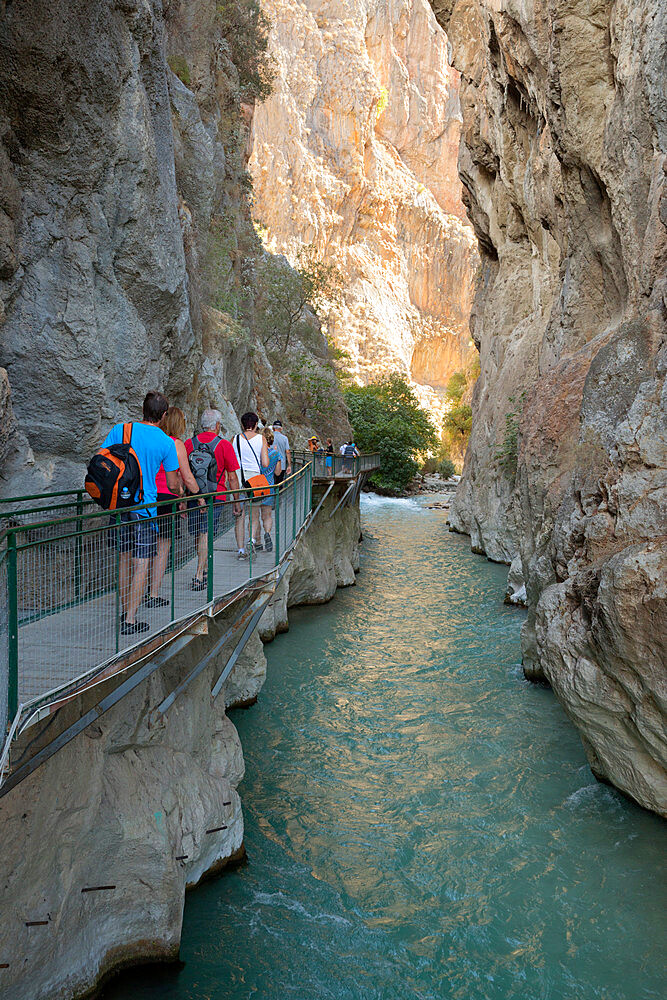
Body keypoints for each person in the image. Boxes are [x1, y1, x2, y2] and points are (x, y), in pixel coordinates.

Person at [103, 390, 181, 635]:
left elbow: (101, 460)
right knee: (142, 563)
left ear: (143, 410)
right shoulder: (166, 443)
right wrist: (180, 490)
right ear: (164, 415)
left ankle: (125, 610)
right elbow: (171, 484)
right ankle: (130, 620)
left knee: (124, 559)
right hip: (144, 510)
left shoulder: (120, 430)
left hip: (119, 506)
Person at [146, 406, 201, 607]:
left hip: (145, 497)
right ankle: (153, 594)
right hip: (166, 499)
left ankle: (137, 592)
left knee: (144, 546)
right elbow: (185, 477)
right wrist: (196, 497)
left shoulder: (152, 440)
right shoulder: (176, 444)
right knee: (162, 548)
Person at [185, 409, 243, 586]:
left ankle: (203, 567)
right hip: (216, 496)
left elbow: (183, 473)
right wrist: (236, 501)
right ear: (217, 425)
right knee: (206, 532)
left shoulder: (189, 443)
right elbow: (232, 477)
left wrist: (182, 498)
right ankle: (199, 574)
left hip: (193, 495)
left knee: (198, 532)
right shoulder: (224, 445)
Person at [232, 411, 269, 558]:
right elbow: (265, 463)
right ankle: (252, 540)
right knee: (254, 516)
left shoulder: (234, 439)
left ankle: (241, 550)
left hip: (238, 480)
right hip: (255, 481)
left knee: (239, 516)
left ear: (242, 424)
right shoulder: (261, 439)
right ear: (255, 425)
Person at [254, 427, 282, 552]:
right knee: (267, 515)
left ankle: (258, 541)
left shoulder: (255, 452)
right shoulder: (276, 454)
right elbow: (278, 472)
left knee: (255, 516)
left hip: (255, 486)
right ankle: (268, 533)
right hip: (269, 486)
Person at [272, 419, 292, 484]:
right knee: (279, 483)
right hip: (282, 464)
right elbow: (287, 452)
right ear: (281, 428)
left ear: (273, 428)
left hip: (270, 463)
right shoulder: (284, 438)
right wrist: (289, 465)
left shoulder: (269, 437)